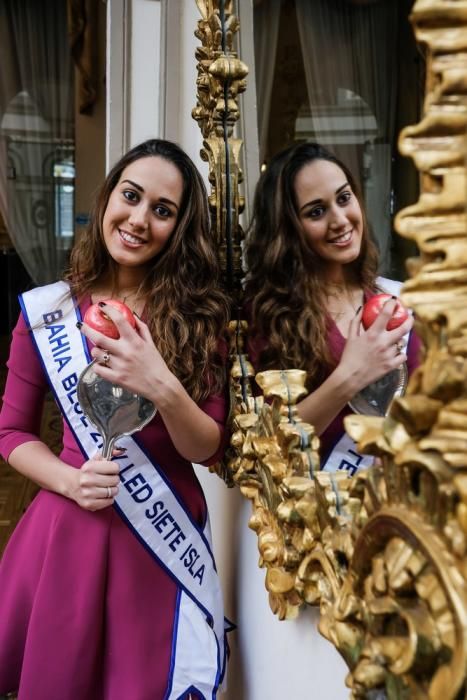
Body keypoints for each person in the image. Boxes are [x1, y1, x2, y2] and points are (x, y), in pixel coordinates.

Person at [0, 138, 232, 699]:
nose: (139, 219)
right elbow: (11, 433)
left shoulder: (201, 318)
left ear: (178, 227)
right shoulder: (49, 311)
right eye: (130, 196)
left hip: (159, 545)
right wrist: (70, 481)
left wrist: (160, 381)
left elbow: (208, 447)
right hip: (67, 534)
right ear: (107, 199)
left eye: (163, 210)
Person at [244, 141, 420, 475]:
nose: (340, 220)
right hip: (318, 511)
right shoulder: (268, 315)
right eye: (316, 211)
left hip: (400, 504)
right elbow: (267, 447)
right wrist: (350, 376)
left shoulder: (396, 299)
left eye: (343, 198)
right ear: (288, 228)